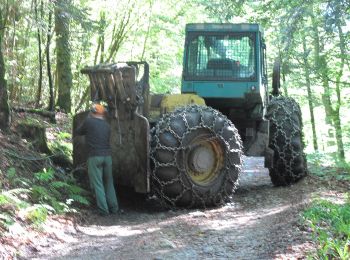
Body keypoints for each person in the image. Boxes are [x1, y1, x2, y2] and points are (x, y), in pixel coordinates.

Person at [75, 103, 119, 216]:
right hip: (107, 157)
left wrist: (87, 118)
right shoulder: (107, 125)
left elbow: (78, 131)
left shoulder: (89, 122)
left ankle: (104, 211)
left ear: (92, 112)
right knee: (109, 183)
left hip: (95, 157)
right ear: (103, 114)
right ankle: (114, 208)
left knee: (98, 184)